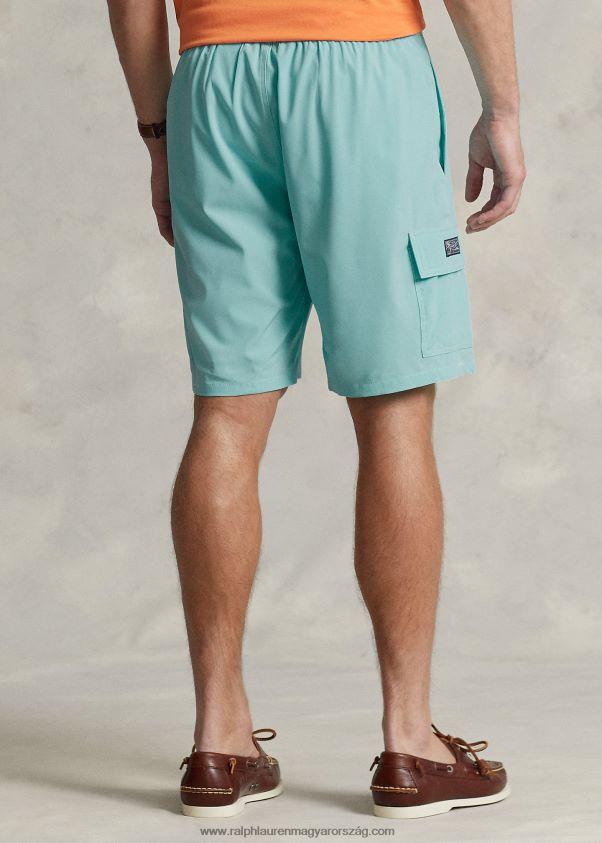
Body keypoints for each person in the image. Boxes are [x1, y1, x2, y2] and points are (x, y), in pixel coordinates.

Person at [107, 0, 525, 820]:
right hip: (363, 68)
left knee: (226, 413)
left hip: (215, 82)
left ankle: (219, 742)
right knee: (394, 408)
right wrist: (502, 108)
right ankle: (410, 745)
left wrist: (159, 136)